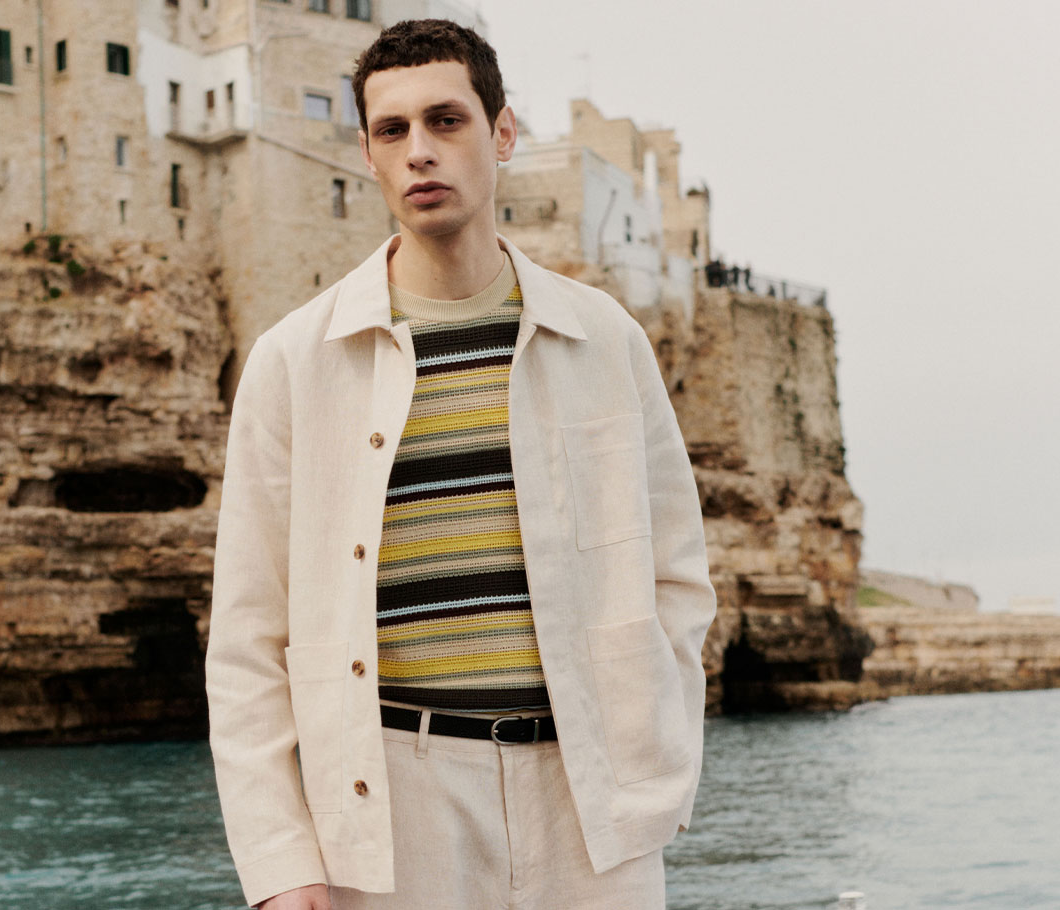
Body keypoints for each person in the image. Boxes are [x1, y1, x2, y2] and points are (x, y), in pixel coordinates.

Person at [205, 18, 716, 910]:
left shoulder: (605, 339)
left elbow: (677, 577)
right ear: (367, 155)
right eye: (392, 130)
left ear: (502, 132)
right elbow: (248, 639)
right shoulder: (294, 363)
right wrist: (283, 864)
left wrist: (656, 767)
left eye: (446, 120)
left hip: (590, 806)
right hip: (394, 802)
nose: (420, 151)